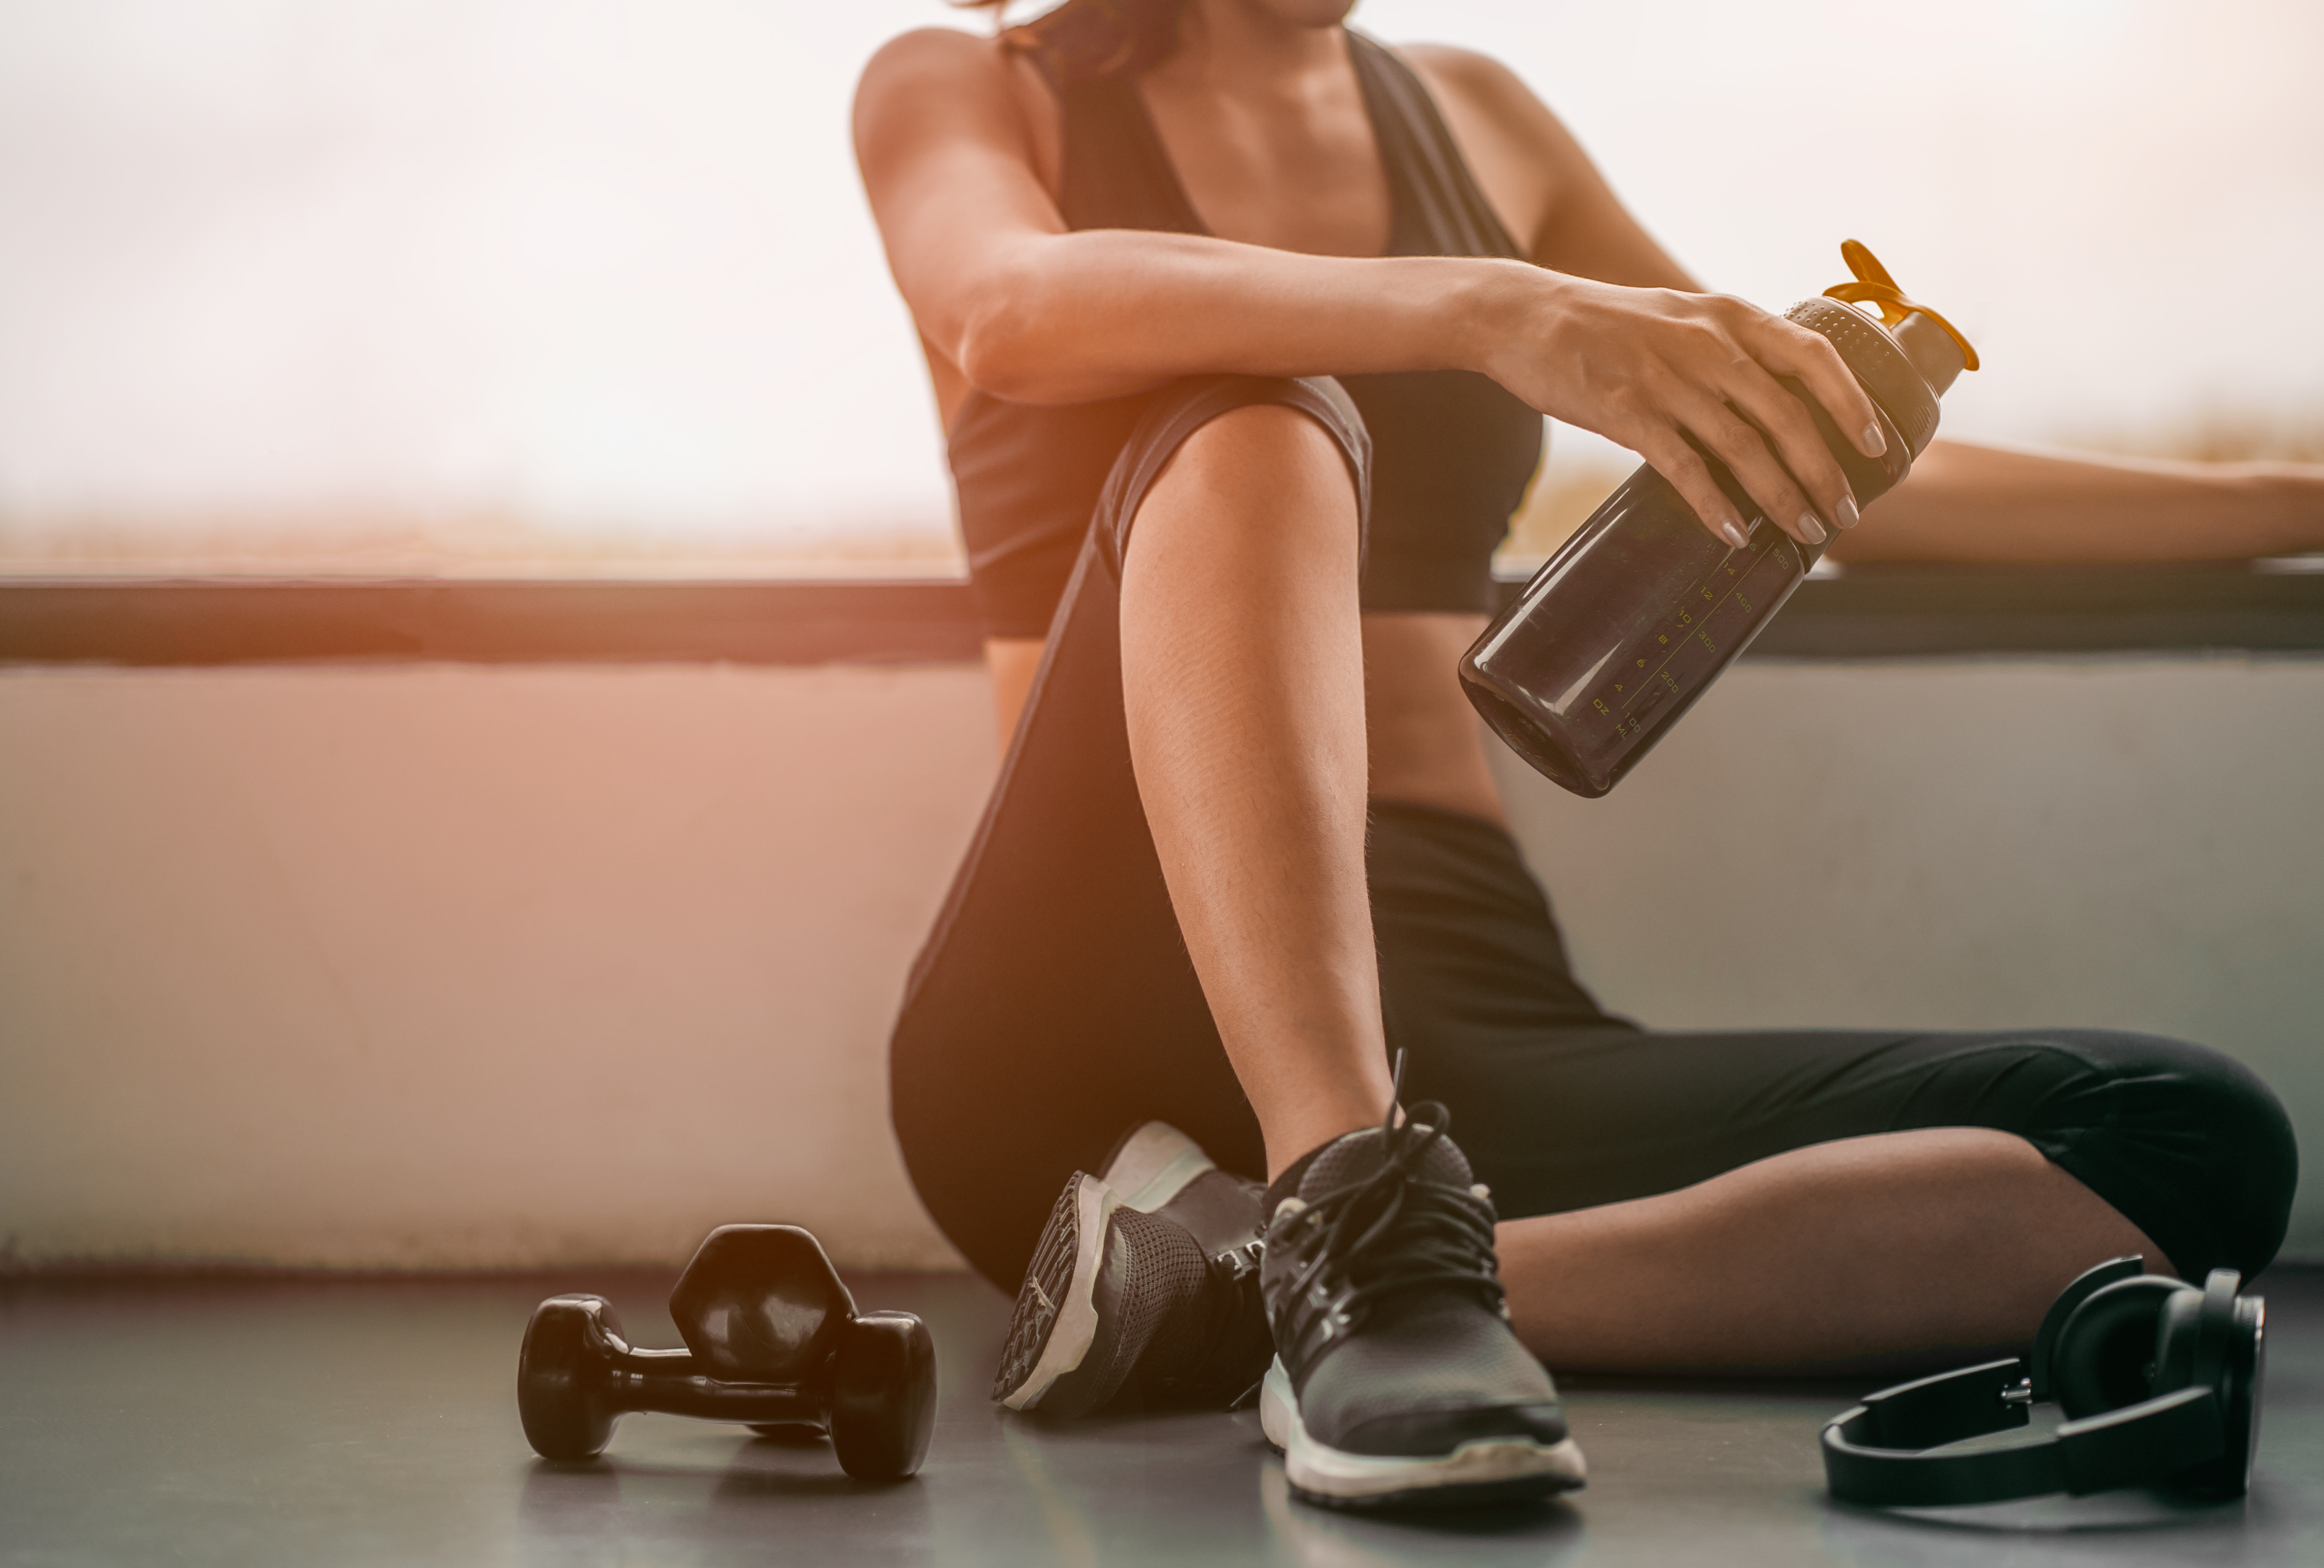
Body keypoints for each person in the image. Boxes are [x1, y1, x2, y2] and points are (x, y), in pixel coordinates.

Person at [854, 0, 2312, 1509]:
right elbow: (1005, 307)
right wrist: (1499, 310)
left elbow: (1827, 457)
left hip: (1458, 1003)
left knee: (2185, 1141)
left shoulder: (1478, 117)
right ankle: (1346, 1206)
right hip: (1089, 1015)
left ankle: (1256, 1290)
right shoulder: (972, 84)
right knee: (1260, 412)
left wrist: (2298, 495)